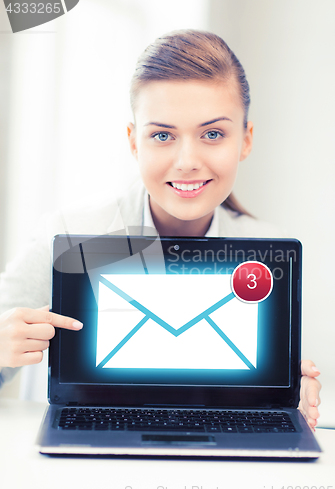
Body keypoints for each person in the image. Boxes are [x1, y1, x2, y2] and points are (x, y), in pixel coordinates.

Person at [0, 29, 321, 427]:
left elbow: (257, 388)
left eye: (213, 134)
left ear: (246, 140)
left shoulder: (272, 252)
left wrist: (289, 398)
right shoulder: (67, 234)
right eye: (163, 135)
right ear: (135, 142)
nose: (187, 160)